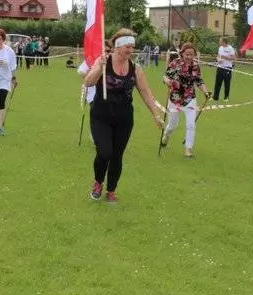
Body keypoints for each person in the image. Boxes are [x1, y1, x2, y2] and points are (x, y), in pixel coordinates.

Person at [83, 29, 165, 203]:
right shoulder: (103, 61)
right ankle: (98, 182)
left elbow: (145, 91)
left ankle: (111, 191)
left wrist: (156, 115)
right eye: (128, 46)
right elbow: (88, 82)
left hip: (124, 118)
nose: (131, 50)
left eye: (132, 47)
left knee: (117, 156)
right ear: (117, 46)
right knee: (105, 152)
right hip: (101, 115)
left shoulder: (135, 69)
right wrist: (99, 69)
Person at [160, 42, 210, 158]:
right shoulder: (175, 63)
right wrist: (167, 81)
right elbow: (165, 76)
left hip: (190, 98)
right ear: (182, 53)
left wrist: (205, 92)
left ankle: (188, 150)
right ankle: (166, 136)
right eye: (187, 54)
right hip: (175, 98)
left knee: (191, 125)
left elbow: (199, 81)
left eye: (192, 54)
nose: (189, 57)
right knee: (172, 125)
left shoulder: (196, 66)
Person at [213, 37, 236, 102]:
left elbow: (233, 58)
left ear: (224, 42)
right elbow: (218, 56)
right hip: (220, 67)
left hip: (227, 68)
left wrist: (225, 57)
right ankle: (215, 97)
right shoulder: (220, 48)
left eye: (220, 41)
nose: (219, 42)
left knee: (227, 83)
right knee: (217, 82)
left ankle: (226, 97)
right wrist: (218, 60)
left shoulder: (230, 48)